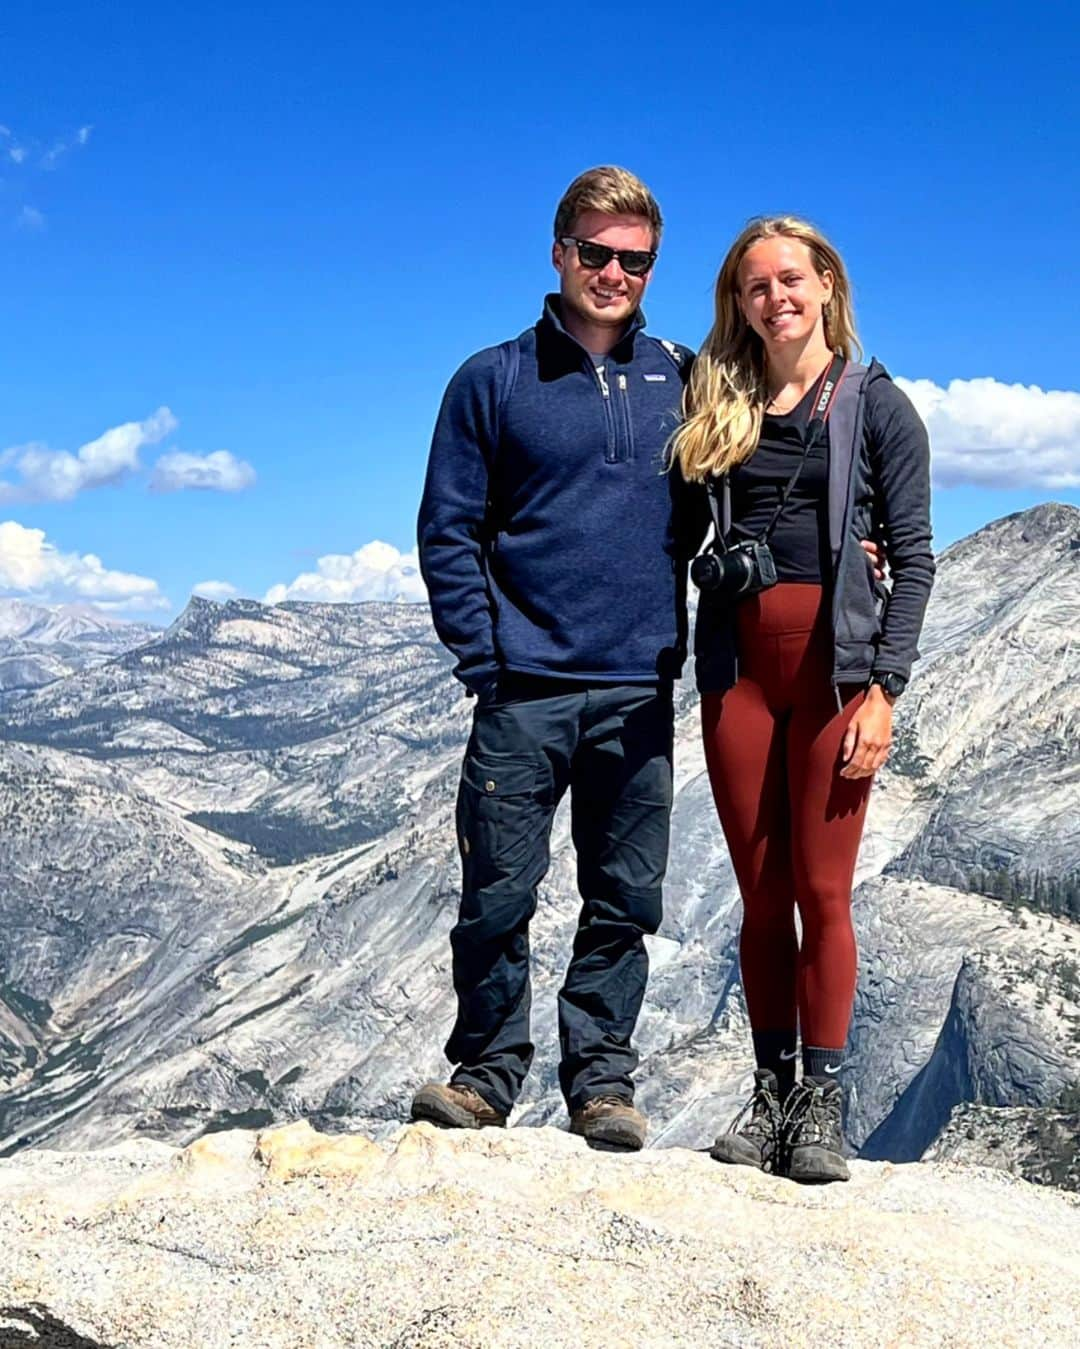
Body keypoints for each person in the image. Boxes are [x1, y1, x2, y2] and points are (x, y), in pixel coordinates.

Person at [411, 166, 698, 1150]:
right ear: (558, 250)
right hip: (522, 691)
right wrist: (486, 661)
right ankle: (487, 1074)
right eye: (596, 252)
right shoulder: (491, 380)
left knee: (624, 898)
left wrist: (863, 539)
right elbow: (447, 529)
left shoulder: (686, 381)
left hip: (637, 690)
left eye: (635, 258)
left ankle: (601, 1084)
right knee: (496, 893)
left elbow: (760, 487)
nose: (614, 272)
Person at [670, 216, 934, 1183]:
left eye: (791, 278)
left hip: (833, 673)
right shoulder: (717, 400)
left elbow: (915, 560)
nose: (775, 298)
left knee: (823, 893)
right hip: (739, 672)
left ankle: (820, 1100)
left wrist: (884, 692)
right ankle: (770, 1090)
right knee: (759, 895)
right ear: (736, 305)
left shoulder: (879, 405)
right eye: (754, 286)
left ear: (827, 284)